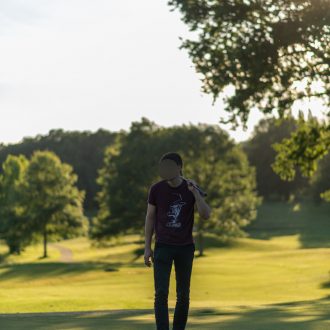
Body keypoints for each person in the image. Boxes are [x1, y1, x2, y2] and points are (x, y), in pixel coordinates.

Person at [144, 151, 211, 330]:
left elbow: (206, 215)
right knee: (161, 293)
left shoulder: (190, 188)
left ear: (179, 168)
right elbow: (150, 217)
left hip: (185, 247)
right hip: (163, 247)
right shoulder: (156, 189)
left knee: (183, 295)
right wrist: (147, 247)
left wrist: (196, 193)